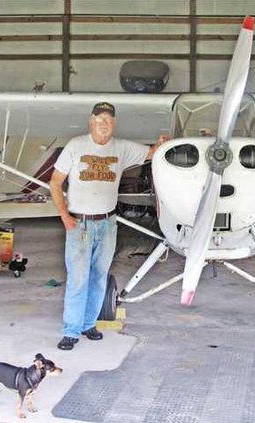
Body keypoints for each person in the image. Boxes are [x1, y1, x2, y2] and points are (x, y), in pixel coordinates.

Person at [50, 101, 170, 351]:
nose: (104, 124)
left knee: (99, 277)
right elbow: (55, 182)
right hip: (79, 223)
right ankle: (71, 330)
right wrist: (64, 216)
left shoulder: (122, 148)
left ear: (113, 123)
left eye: (108, 120)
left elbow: (151, 153)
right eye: (99, 119)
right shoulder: (76, 146)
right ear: (91, 122)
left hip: (107, 223)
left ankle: (88, 324)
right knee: (78, 278)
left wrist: (163, 143)